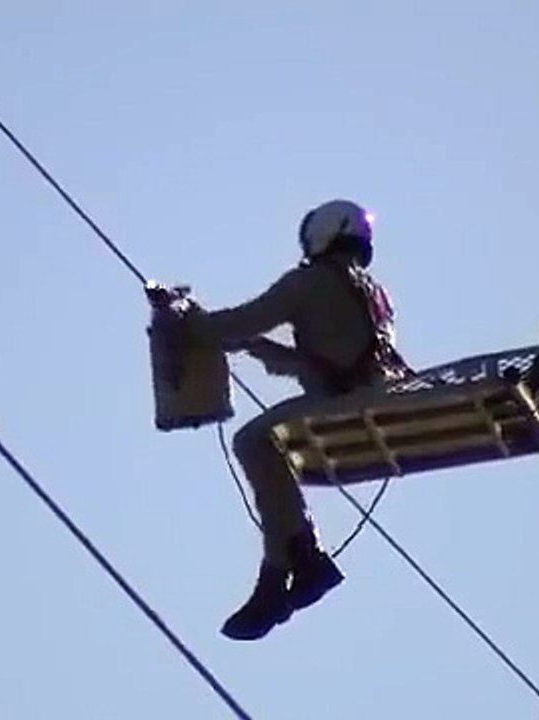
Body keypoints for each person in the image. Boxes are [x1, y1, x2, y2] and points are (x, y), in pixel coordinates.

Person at [188, 198, 413, 640]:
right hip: (378, 397)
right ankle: (298, 564)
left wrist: (187, 325)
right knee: (263, 439)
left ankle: (289, 565)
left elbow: (242, 319)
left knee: (253, 441)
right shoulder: (371, 292)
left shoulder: (308, 284)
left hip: (352, 404)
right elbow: (338, 359)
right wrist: (265, 351)